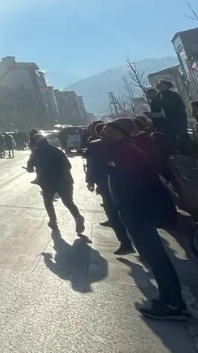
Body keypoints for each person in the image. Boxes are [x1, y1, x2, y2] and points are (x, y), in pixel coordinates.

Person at [102, 118, 186, 321]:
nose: (103, 131)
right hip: (139, 210)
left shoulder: (126, 151)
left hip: (139, 211)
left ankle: (171, 304)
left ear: (118, 131)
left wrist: (126, 208)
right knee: (157, 258)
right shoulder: (124, 148)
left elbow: (135, 184)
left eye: (108, 128)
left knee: (156, 258)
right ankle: (173, 299)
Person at [83, 123, 133, 255]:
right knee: (128, 213)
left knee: (113, 213)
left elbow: (90, 165)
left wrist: (90, 181)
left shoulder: (94, 145)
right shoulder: (125, 143)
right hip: (127, 182)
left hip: (106, 183)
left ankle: (126, 243)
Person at [27, 133, 85, 233]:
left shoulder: (36, 152)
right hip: (64, 180)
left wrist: (33, 169)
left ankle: (53, 220)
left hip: (47, 181)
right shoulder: (57, 150)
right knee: (68, 201)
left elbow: (30, 168)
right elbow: (68, 166)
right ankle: (77, 217)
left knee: (48, 201)